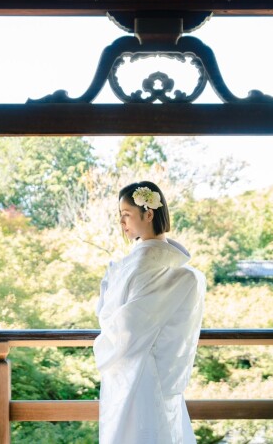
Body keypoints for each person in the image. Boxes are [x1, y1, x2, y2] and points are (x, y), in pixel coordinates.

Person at [94, 181, 206, 444]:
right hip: (155, 366)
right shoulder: (167, 264)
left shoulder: (144, 262)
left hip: (138, 369)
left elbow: (127, 323)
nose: (122, 223)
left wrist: (107, 291)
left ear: (148, 214)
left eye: (126, 215)